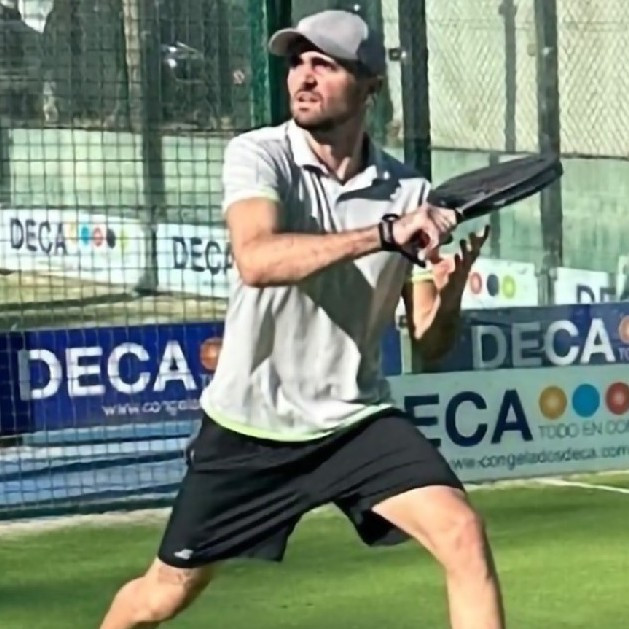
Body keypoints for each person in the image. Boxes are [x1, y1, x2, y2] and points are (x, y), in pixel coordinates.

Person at [98, 9, 506, 629]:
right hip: (250, 425)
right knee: (163, 595)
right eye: (297, 63)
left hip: (354, 420)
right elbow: (257, 260)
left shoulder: (410, 193)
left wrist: (446, 297)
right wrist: (384, 234)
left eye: (325, 64)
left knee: (463, 534)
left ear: (370, 85)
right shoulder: (259, 155)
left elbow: (429, 344)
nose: (303, 78)